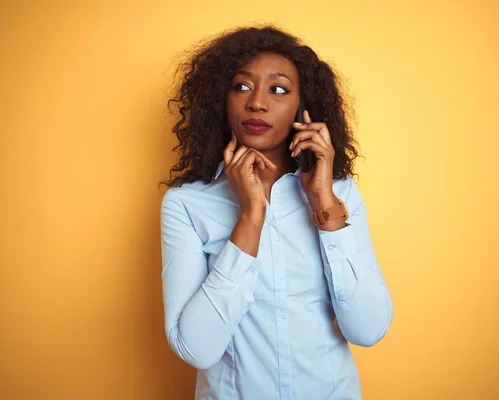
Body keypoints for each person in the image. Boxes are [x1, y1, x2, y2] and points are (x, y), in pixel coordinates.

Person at [160, 25, 393, 400]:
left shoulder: (340, 194)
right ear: (221, 100)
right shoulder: (187, 204)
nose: (257, 103)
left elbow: (368, 329)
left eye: (278, 89)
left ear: (304, 107)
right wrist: (250, 216)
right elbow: (197, 348)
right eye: (241, 86)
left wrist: (323, 202)